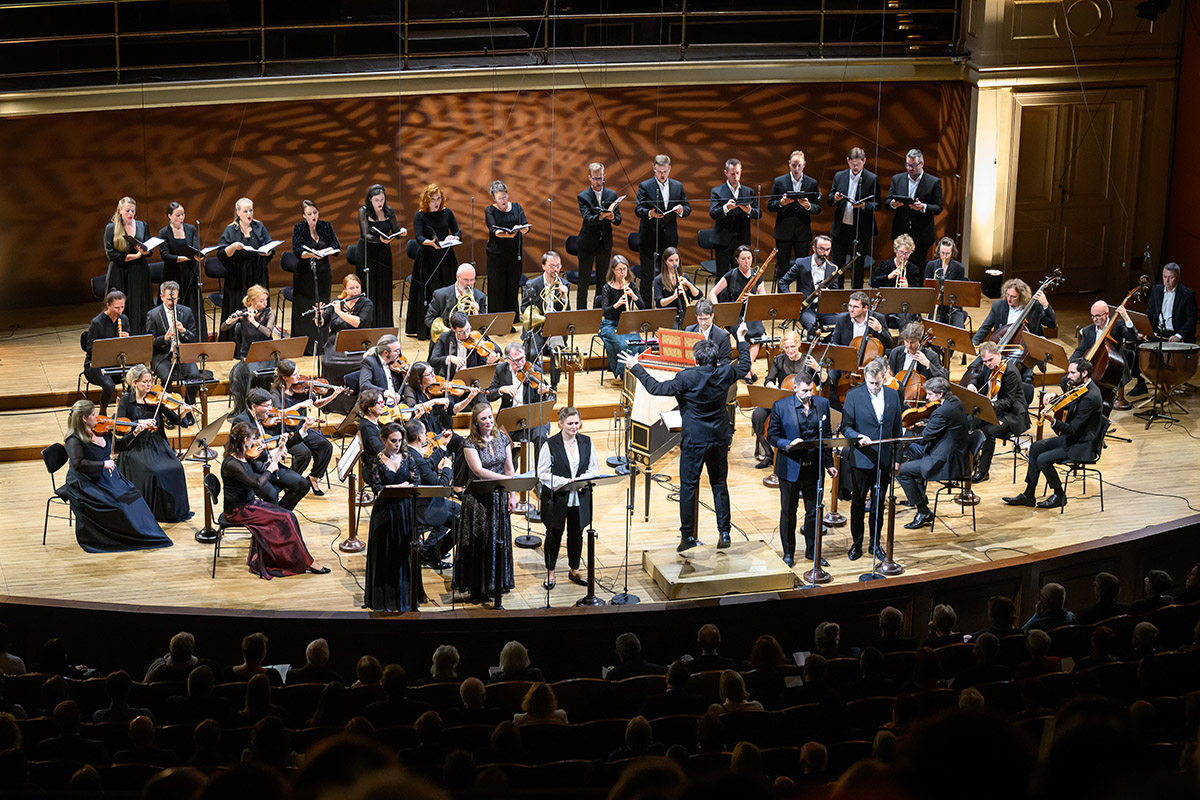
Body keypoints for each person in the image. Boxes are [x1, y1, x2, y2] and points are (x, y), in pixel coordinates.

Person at [620, 323, 752, 551]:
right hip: (719, 438)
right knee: (719, 484)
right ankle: (724, 532)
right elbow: (745, 365)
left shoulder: (686, 377)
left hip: (694, 440)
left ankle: (687, 537)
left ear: (696, 360)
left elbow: (655, 388)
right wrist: (740, 338)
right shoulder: (725, 372)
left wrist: (636, 367)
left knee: (689, 487)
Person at [62, 399, 173, 553]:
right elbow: (78, 464)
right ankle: (128, 537)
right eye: (94, 414)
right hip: (85, 483)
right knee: (118, 505)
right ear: (84, 418)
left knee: (133, 495)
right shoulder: (74, 440)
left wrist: (135, 432)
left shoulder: (101, 429)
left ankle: (146, 534)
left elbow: (120, 445)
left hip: (105, 476)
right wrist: (103, 464)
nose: (99, 417)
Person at [221, 422, 327, 578]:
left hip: (249, 504)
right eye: (253, 438)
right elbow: (257, 483)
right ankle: (303, 561)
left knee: (288, 516)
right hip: (238, 511)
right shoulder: (232, 464)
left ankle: (294, 559)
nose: (256, 441)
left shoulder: (244, 456)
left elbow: (266, 466)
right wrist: (271, 470)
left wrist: (280, 448)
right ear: (245, 440)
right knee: (286, 517)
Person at [1003, 356, 1104, 510]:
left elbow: (1073, 429)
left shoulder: (1091, 397)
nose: (1068, 376)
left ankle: (1059, 495)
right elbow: (1070, 401)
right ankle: (1029, 494)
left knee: (1043, 459)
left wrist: (1053, 420)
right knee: (1036, 447)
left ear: (1084, 373)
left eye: (1072, 373)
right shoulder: (1082, 388)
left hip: (1083, 445)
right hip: (1074, 439)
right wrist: (1055, 397)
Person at [768, 370, 836, 567]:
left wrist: (829, 464)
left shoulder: (822, 404)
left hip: (813, 468)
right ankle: (788, 553)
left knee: (814, 511)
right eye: (805, 391)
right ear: (795, 388)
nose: (809, 395)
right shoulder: (780, 406)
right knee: (788, 512)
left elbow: (827, 437)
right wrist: (787, 443)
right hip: (789, 468)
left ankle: (812, 552)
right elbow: (771, 435)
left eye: (811, 390)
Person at [841, 358, 904, 561]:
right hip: (861, 459)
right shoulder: (853, 396)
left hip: (884, 459)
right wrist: (858, 437)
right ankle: (857, 543)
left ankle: (875, 544)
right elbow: (846, 427)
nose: (875, 387)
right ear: (865, 378)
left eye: (878, 383)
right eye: (871, 383)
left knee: (878, 504)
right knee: (858, 504)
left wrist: (898, 458)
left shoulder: (894, 395)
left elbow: (897, 429)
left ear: (883, 377)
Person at [453, 404, 516, 604]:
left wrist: (511, 495)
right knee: (479, 542)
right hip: (478, 500)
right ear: (476, 423)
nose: (488, 421)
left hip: (499, 496)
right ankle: (477, 587)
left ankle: (495, 583)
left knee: (497, 539)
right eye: (484, 419)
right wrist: (502, 481)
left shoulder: (503, 438)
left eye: (490, 417)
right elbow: (478, 471)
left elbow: (509, 469)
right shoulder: (469, 443)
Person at [115, 364, 194, 523]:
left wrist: (185, 411)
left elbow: (175, 420)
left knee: (176, 467)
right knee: (154, 471)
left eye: (150, 381)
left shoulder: (157, 399)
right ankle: (154, 511)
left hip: (156, 443)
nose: (149, 385)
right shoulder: (126, 401)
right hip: (135, 445)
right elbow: (120, 429)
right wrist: (139, 423)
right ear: (135, 383)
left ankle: (173, 511)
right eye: (145, 382)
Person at [536, 407, 599, 590]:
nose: (574, 427)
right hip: (558, 496)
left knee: (576, 533)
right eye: (570, 423)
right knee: (554, 533)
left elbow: (593, 469)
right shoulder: (550, 444)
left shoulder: (586, 442)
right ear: (560, 424)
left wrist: (579, 481)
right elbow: (543, 473)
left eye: (576, 423)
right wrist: (565, 482)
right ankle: (550, 571)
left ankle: (574, 569)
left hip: (579, 496)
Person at [896, 376, 970, 529]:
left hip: (945, 461)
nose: (927, 398)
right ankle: (919, 497)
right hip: (952, 452)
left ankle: (922, 510)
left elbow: (924, 438)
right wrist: (925, 424)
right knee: (912, 450)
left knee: (900, 471)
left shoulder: (942, 412)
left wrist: (906, 431)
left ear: (940, 394)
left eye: (929, 394)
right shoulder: (955, 401)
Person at [363, 422, 422, 611]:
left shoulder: (408, 458)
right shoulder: (375, 462)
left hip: (405, 511)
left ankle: (405, 597)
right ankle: (385, 599)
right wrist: (401, 486)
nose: (397, 444)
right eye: (393, 441)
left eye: (399, 440)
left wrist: (396, 488)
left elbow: (416, 482)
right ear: (384, 440)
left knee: (404, 554)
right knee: (385, 555)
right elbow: (378, 490)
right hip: (385, 513)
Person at [229, 387, 311, 510]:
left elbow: (283, 443)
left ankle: (282, 514)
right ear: (253, 406)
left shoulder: (269, 419)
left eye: (271, 405)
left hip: (271, 464)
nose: (270, 409)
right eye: (266, 406)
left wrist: (304, 429)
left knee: (303, 484)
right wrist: (275, 452)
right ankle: (276, 518)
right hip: (254, 469)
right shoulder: (242, 422)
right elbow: (244, 453)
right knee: (272, 495)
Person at [751, 330, 823, 467]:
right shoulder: (779, 360)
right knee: (758, 415)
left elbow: (824, 380)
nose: (789, 350)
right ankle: (768, 454)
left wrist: (817, 368)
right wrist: (777, 389)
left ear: (799, 344)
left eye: (792, 347)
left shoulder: (808, 361)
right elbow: (768, 380)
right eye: (787, 347)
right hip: (782, 401)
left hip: (804, 404)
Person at [270, 359, 340, 497]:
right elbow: (278, 413)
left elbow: (317, 404)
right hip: (285, 432)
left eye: (298, 372)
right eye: (295, 374)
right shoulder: (276, 393)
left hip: (303, 428)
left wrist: (333, 396)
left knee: (325, 446)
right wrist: (299, 405)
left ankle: (314, 477)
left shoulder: (301, 388)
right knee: (304, 454)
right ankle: (291, 482)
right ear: (285, 377)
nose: (299, 376)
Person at [963, 341, 1030, 482]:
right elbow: (978, 378)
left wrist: (988, 406)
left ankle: (983, 471)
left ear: (998, 355)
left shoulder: (1010, 372)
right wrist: (971, 384)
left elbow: (1009, 401)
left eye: (990, 360)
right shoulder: (988, 367)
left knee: (989, 432)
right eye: (985, 361)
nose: (988, 364)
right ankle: (967, 463)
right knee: (967, 422)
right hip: (994, 408)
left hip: (1011, 414)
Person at [634, 154, 691, 307]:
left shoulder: (677, 186)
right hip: (649, 238)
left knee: (668, 275)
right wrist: (650, 213)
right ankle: (646, 311)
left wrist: (681, 210)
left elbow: (687, 207)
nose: (662, 175)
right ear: (654, 169)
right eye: (659, 171)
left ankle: (668, 307)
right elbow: (638, 209)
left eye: (665, 171)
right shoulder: (645, 186)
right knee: (647, 276)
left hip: (669, 238)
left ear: (669, 169)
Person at [217, 198, 276, 340]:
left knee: (259, 304)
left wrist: (267, 251)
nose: (249, 213)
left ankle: (259, 339)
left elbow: (270, 247)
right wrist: (233, 247)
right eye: (245, 211)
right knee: (239, 306)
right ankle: (237, 343)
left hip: (256, 273)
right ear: (238, 212)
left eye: (251, 210)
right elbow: (221, 254)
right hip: (237, 277)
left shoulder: (259, 227)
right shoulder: (231, 230)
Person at [408, 183, 460, 341]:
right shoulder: (420, 215)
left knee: (448, 292)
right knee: (430, 293)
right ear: (426, 201)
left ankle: (449, 326)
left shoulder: (447, 213)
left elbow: (457, 231)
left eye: (438, 198)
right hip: (427, 260)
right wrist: (430, 242)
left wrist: (454, 237)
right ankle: (427, 329)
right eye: (433, 200)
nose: (436, 202)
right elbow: (418, 237)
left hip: (446, 258)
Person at [403, 419, 458, 569]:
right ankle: (432, 554)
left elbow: (427, 467)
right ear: (420, 437)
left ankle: (430, 548)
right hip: (422, 505)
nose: (428, 437)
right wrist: (447, 468)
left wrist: (443, 447)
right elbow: (441, 486)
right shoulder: (415, 456)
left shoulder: (411, 451)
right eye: (426, 434)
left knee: (458, 510)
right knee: (459, 524)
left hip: (423, 499)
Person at [708, 245, 767, 382]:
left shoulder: (756, 276)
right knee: (744, 334)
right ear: (737, 260)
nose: (747, 262)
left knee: (758, 333)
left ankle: (747, 368)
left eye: (749, 258)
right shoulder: (731, 275)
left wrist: (753, 298)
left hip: (751, 313)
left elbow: (763, 298)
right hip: (734, 315)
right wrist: (720, 310)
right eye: (743, 259)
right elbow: (713, 293)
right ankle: (747, 369)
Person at [291, 199, 340, 355]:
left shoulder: (326, 226)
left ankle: (322, 344)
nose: (313, 216)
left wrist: (326, 252)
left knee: (322, 306)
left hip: (324, 271)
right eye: (309, 214)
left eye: (315, 213)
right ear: (304, 215)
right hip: (305, 274)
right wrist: (310, 254)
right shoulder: (299, 228)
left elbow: (336, 246)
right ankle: (305, 346)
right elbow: (297, 250)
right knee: (306, 307)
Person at [829, 290, 894, 405]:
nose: (851, 309)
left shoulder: (878, 318)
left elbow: (889, 343)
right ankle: (838, 408)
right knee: (831, 378)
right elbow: (834, 341)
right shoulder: (842, 319)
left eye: (855, 307)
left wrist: (880, 330)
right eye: (849, 306)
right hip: (846, 364)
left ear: (865, 308)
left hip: (868, 365)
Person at [486, 341, 553, 450]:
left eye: (523, 358)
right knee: (496, 438)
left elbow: (548, 399)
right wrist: (501, 390)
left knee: (540, 437)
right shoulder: (500, 370)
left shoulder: (534, 369)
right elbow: (489, 395)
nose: (521, 363)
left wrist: (542, 393)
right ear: (508, 359)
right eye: (517, 360)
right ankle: (511, 460)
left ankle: (540, 467)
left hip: (532, 416)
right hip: (510, 416)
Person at [827, 147, 879, 289]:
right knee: (837, 265)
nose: (855, 167)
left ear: (864, 162)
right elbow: (830, 199)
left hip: (860, 230)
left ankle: (856, 297)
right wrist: (836, 198)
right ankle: (837, 295)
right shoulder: (839, 176)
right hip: (841, 228)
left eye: (858, 164)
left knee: (858, 265)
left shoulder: (872, 178)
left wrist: (863, 205)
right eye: (852, 163)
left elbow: (877, 204)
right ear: (848, 161)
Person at [768, 149, 822, 285]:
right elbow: (770, 205)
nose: (796, 168)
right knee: (782, 269)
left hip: (802, 233)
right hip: (783, 232)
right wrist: (781, 203)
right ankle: (782, 300)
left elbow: (817, 208)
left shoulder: (811, 183)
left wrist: (808, 205)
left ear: (804, 164)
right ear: (789, 164)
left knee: (802, 269)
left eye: (799, 165)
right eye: (793, 165)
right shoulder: (779, 181)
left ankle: (801, 300)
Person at [144, 281, 202, 404]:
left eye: (174, 299)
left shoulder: (186, 312)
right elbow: (150, 342)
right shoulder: (153, 315)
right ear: (161, 297)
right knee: (166, 378)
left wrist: (183, 331)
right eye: (169, 299)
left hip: (183, 354)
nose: (172, 303)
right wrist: (164, 338)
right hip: (162, 355)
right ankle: (168, 411)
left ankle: (189, 407)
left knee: (195, 377)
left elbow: (194, 338)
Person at [103, 196, 154, 335]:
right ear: (120, 211)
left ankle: (140, 336)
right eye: (127, 211)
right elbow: (111, 254)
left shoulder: (142, 225)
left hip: (138, 272)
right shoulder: (111, 228)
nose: (130, 214)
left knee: (139, 305)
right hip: (119, 272)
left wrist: (146, 251)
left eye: (133, 211)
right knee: (121, 305)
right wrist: (135, 256)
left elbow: (149, 250)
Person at [520, 251, 570, 390]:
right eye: (551, 266)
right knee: (532, 353)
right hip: (536, 327)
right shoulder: (532, 284)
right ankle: (533, 382)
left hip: (554, 327)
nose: (555, 269)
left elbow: (566, 311)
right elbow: (524, 308)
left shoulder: (564, 284)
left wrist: (563, 297)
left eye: (558, 266)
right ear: (543, 266)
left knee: (557, 351)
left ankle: (554, 385)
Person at [357, 184, 405, 328]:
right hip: (367, 254)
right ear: (370, 200)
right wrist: (380, 240)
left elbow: (395, 230)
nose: (380, 203)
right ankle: (369, 325)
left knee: (384, 288)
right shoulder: (363, 211)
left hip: (384, 253)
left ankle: (384, 324)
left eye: (382, 199)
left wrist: (400, 233)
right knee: (369, 288)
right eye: (377, 200)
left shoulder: (389, 210)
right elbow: (365, 234)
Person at [575, 162, 622, 310]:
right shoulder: (583, 196)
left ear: (604, 176)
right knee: (584, 280)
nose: (598, 182)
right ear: (589, 178)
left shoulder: (611, 194)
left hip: (604, 243)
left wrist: (613, 217)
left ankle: (600, 311)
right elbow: (587, 219)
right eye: (595, 178)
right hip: (587, 243)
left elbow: (619, 220)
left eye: (600, 178)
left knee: (602, 280)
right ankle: (581, 312)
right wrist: (601, 217)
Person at [1071, 300, 1142, 397]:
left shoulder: (1117, 326)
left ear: (1107, 314)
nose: (1095, 319)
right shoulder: (1088, 330)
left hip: (1113, 369)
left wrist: (1126, 317)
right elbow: (1081, 350)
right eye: (1092, 316)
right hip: (1093, 367)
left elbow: (1133, 338)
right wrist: (1072, 363)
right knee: (1067, 381)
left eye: (1098, 316)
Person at [885, 148, 943, 264]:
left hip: (922, 234)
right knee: (900, 267)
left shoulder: (934, 182)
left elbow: (938, 207)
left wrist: (923, 207)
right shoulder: (897, 179)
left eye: (913, 165)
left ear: (922, 163)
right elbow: (887, 202)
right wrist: (893, 204)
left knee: (918, 268)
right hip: (901, 232)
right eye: (907, 165)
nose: (910, 168)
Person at [157, 201, 205, 338]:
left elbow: (195, 247)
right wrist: (182, 258)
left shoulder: (191, 229)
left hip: (189, 273)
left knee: (192, 305)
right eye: (178, 215)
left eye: (183, 214)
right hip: (172, 274)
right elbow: (165, 255)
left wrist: (197, 256)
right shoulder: (164, 232)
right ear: (169, 216)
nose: (181, 217)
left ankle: (194, 336)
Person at [777, 235, 842, 335]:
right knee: (813, 327)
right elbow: (783, 282)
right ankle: (811, 348)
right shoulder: (802, 263)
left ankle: (827, 345)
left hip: (825, 309)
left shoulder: (832, 268)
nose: (824, 253)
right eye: (821, 249)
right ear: (814, 248)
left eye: (827, 249)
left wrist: (829, 294)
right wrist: (793, 301)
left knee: (842, 324)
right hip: (806, 308)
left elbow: (836, 292)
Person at [484, 180, 529, 322]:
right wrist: (507, 235)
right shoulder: (490, 210)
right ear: (494, 198)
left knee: (512, 286)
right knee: (497, 287)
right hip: (496, 255)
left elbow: (525, 225)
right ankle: (496, 319)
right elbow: (494, 230)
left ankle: (512, 318)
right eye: (499, 198)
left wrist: (524, 229)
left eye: (504, 196)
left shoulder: (517, 207)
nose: (503, 200)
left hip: (514, 254)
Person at [598, 254, 647, 381]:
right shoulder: (607, 288)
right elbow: (604, 311)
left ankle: (637, 371)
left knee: (638, 342)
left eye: (625, 269)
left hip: (627, 323)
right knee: (621, 344)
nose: (622, 272)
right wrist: (617, 304)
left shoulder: (632, 285)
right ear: (613, 270)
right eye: (619, 269)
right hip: (609, 324)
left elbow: (643, 307)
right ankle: (623, 373)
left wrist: (634, 296)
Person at [708, 158, 761, 273]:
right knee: (722, 275)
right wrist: (726, 208)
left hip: (741, 240)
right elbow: (713, 213)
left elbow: (758, 214)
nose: (735, 177)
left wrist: (749, 210)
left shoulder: (749, 192)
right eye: (732, 174)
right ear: (726, 173)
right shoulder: (717, 191)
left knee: (741, 275)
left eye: (738, 173)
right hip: (723, 241)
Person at [83, 290, 131, 415]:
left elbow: (127, 348)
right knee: (110, 386)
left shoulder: (124, 319)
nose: (120, 311)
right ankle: (103, 409)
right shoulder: (97, 323)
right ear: (108, 305)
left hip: (116, 361)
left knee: (135, 378)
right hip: (96, 364)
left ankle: (129, 411)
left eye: (122, 307)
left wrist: (127, 340)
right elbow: (90, 348)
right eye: (116, 308)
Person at [972, 277, 1058, 345]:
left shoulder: (1034, 307)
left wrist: (1045, 305)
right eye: (1007, 295)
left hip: (1024, 351)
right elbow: (986, 327)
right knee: (976, 365)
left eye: (1013, 297)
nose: (1008, 299)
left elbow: (1051, 325)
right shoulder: (998, 306)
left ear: (1022, 297)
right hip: (1001, 345)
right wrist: (974, 342)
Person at [425, 264, 487, 347]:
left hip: (469, 340)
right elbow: (429, 319)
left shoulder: (480, 297)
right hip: (445, 340)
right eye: (465, 280)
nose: (469, 283)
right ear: (457, 277)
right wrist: (447, 333)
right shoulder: (440, 295)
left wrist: (476, 314)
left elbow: (483, 327)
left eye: (472, 280)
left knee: (496, 350)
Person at [429, 311, 502, 380]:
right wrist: (450, 358)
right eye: (461, 332)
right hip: (452, 379)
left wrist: (489, 363)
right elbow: (433, 360)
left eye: (468, 329)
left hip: (472, 378)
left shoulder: (476, 336)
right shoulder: (445, 338)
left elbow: (495, 352)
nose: (467, 334)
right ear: (453, 329)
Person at [871, 234, 923, 330]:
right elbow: (873, 282)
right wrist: (888, 277)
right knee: (878, 317)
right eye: (901, 252)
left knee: (905, 320)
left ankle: (903, 344)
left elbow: (917, 291)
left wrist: (908, 286)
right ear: (896, 250)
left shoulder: (913, 269)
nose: (903, 256)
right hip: (886, 302)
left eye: (907, 253)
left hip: (904, 304)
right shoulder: (886, 265)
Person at [320, 274, 375, 357]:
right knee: (328, 361)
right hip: (335, 343)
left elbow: (358, 323)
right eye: (351, 288)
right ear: (345, 289)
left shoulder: (367, 303)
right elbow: (321, 323)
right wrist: (319, 315)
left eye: (357, 287)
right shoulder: (337, 302)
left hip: (358, 343)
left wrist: (340, 312)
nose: (356, 291)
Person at [221, 284, 275, 367]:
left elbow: (268, 333)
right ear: (251, 301)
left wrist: (253, 322)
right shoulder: (244, 314)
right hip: (248, 353)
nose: (265, 304)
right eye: (261, 301)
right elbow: (223, 328)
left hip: (267, 352)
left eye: (266, 300)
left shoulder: (269, 314)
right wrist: (230, 319)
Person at [1146, 262, 1197, 343]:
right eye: (1165, 277)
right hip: (1158, 333)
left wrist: (1179, 335)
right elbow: (1149, 313)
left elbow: (1191, 319)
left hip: (1175, 334)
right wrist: (1145, 330)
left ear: (1177, 277)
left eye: (1171, 277)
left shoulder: (1187, 294)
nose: (1167, 281)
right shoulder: (1156, 290)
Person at [653, 246, 702, 329]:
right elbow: (659, 303)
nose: (674, 263)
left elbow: (698, 295)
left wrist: (689, 284)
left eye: (676, 260)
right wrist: (674, 297)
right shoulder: (659, 280)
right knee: (677, 331)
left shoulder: (684, 276)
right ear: (665, 261)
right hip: (668, 316)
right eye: (671, 261)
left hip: (685, 313)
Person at [887, 322, 948, 386]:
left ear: (919, 339)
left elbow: (943, 378)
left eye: (912, 342)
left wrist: (928, 364)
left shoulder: (931, 356)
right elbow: (890, 376)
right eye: (906, 342)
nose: (909, 346)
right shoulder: (896, 353)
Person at [925, 237, 968, 327]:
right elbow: (927, 287)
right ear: (938, 251)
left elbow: (959, 291)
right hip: (936, 305)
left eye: (948, 253)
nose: (945, 256)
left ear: (952, 253)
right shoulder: (931, 265)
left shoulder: (959, 268)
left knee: (958, 326)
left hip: (953, 306)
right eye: (942, 253)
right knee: (933, 326)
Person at [359, 334, 407, 401]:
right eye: (396, 351)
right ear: (386, 353)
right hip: (379, 406)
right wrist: (387, 393)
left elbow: (403, 387)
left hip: (397, 404)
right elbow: (364, 385)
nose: (400, 354)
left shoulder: (395, 364)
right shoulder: (370, 362)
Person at [685, 299, 732, 366]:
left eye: (706, 319)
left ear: (712, 315)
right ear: (696, 316)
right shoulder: (689, 330)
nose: (703, 323)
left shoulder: (722, 335)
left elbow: (725, 361)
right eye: (700, 319)